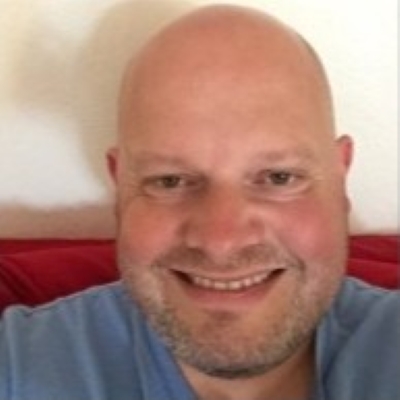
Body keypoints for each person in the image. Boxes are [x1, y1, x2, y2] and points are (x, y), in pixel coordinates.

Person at [0, 4, 398, 400]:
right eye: (170, 181)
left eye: (279, 178)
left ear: (340, 178)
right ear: (120, 186)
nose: (221, 242)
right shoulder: (19, 366)